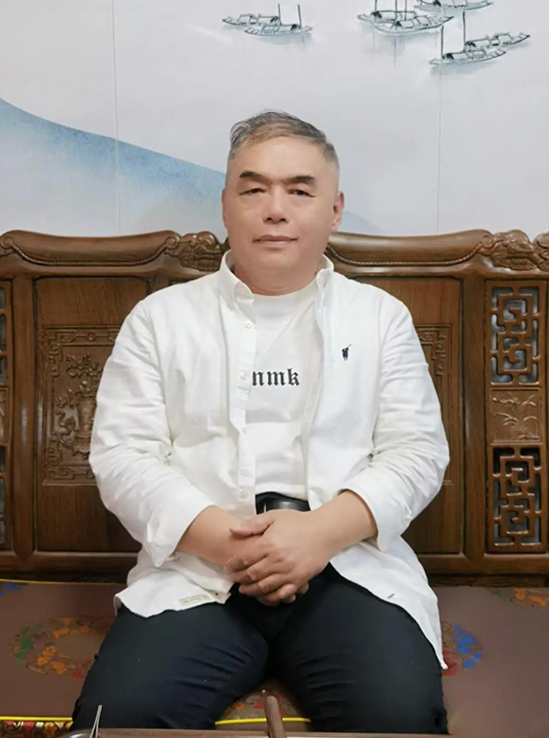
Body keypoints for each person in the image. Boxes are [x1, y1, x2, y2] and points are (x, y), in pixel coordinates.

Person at [71, 111, 449, 734]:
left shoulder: (381, 319)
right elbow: (123, 458)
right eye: (253, 190)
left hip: (347, 566)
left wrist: (316, 536)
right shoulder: (160, 320)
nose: (276, 210)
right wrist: (237, 547)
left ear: (335, 209)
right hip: (200, 569)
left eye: (300, 190)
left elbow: (417, 453)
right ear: (225, 205)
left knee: (396, 718)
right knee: (121, 719)